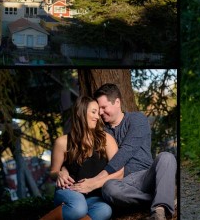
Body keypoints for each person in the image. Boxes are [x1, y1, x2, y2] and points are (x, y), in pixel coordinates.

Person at [64, 83, 175, 220]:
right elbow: (81, 151)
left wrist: (94, 181)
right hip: (121, 183)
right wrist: (63, 168)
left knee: (167, 157)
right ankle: (159, 198)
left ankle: (159, 210)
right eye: (99, 109)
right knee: (108, 188)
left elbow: (125, 152)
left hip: (145, 177)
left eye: (104, 108)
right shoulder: (101, 131)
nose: (100, 113)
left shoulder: (137, 119)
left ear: (117, 102)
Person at [45, 96, 121, 220]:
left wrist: (94, 184)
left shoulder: (106, 139)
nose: (97, 116)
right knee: (78, 207)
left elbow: (119, 172)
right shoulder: (62, 142)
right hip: (69, 191)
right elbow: (53, 172)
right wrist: (59, 174)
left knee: (105, 210)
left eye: (98, 112)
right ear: (80, 113)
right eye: (93, 112)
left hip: (93, 195)